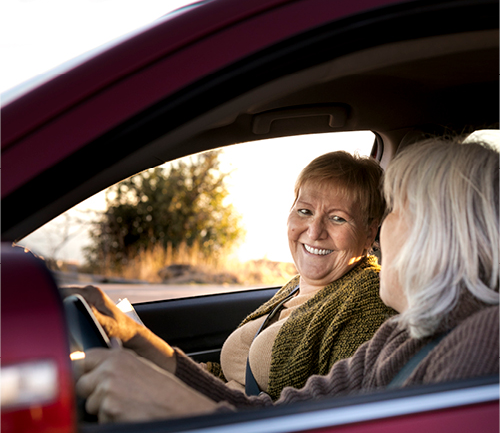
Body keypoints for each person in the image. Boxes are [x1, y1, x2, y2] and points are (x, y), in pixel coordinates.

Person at [73, 136, 499, 421]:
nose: (385, 231)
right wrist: (140, 341)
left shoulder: (481, 342)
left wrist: (177, 410)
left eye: (395, 213)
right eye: (305, 210)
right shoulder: (403, 334)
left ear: (442, 233)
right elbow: (282, 414)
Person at [64, 151, 394, 408]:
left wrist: (168, 404)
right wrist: (135, 337)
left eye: (337, 218)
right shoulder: (295, 286)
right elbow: (223, 383)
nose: (314, 231)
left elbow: (316, 422)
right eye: (305, 211)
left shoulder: (366, 301)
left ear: (370, 232)